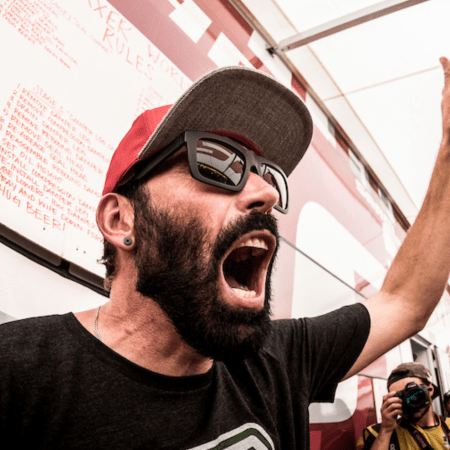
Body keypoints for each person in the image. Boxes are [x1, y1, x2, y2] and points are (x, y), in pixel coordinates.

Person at [1, 59, 450, 449]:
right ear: (121, 220)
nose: (265, 193)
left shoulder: (279, 360)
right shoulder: (18, 375)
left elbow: (405, 301)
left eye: (266, 175)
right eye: (215, 163)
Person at [363, 363, 450, 449]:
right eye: (401, 396)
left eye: (413, 394)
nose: (408, 401)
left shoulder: (448, 425)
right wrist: (386, 430)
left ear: (430, 390)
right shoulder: (378, 433)